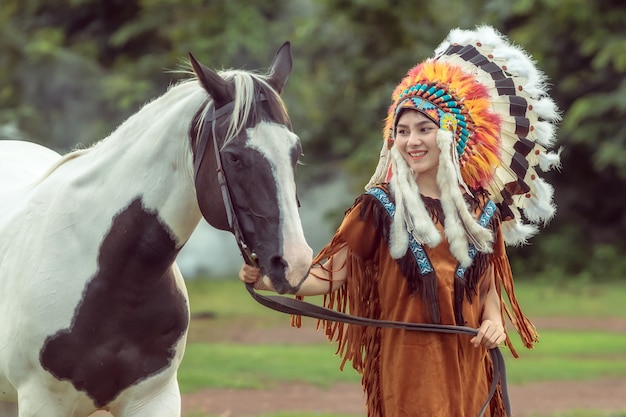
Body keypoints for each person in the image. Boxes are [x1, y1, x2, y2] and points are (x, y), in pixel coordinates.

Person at [240, 25, 561, 417]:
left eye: (424, 129)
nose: (412, 141)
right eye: (403, 132)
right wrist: (272, 279)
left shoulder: (481, 211)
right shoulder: (377, 207)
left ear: (449, 135)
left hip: (471, 368)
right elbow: (330, 276)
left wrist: (494, 320)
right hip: (409, 373)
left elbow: (487, 284)